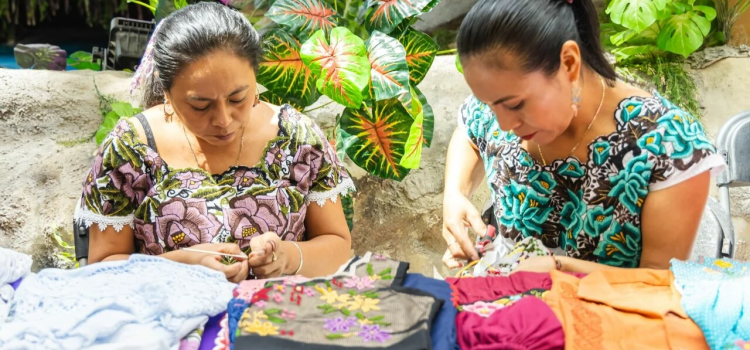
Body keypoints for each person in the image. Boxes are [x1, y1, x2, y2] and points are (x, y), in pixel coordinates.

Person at [73, 3, 355, 282]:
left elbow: (338, 246)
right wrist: (184, 265)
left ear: (255, 77)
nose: (223, 119)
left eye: (237, 99)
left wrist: (288, 257)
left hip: (281, 319)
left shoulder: (297, 139)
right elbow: (102, 271)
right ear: (167, 93)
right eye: (200, 105)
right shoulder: (131, 150)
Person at [442, 0, 726, 273]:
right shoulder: (497, 106)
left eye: (516, 105)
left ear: (568, 62)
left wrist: (561, 269)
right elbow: (469, 129)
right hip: (503, 309)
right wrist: (455, 194)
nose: (503, 123)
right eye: (491, 104)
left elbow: (660, 282)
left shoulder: (667, 143)